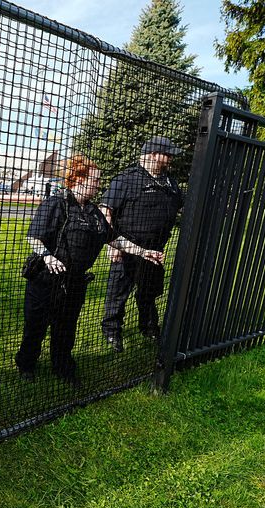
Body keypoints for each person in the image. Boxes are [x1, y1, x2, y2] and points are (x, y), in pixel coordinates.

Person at [15, 155, 163, 386]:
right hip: (45, 279)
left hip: (74, 282)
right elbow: (34, 237)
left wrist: (144, 252)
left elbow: (115, 239)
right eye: (95, 181)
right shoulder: (57, 203)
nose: (98, 185)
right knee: (36, 326)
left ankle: (62, 367)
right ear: (78, 179)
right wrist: (47, 257)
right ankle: (26, 365)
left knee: (66, 328)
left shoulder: (94, 212)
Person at [100, 136, 184, 352]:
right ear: (154, 155)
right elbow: (105, 211)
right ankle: (111, 331)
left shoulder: (170, 182)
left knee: (149, 292)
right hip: (127, 247)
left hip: (155, 249)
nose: (171, 158)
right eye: (167, 154)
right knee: (118, 293)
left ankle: (148, 327)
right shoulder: (126, 180)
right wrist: (112, 245)